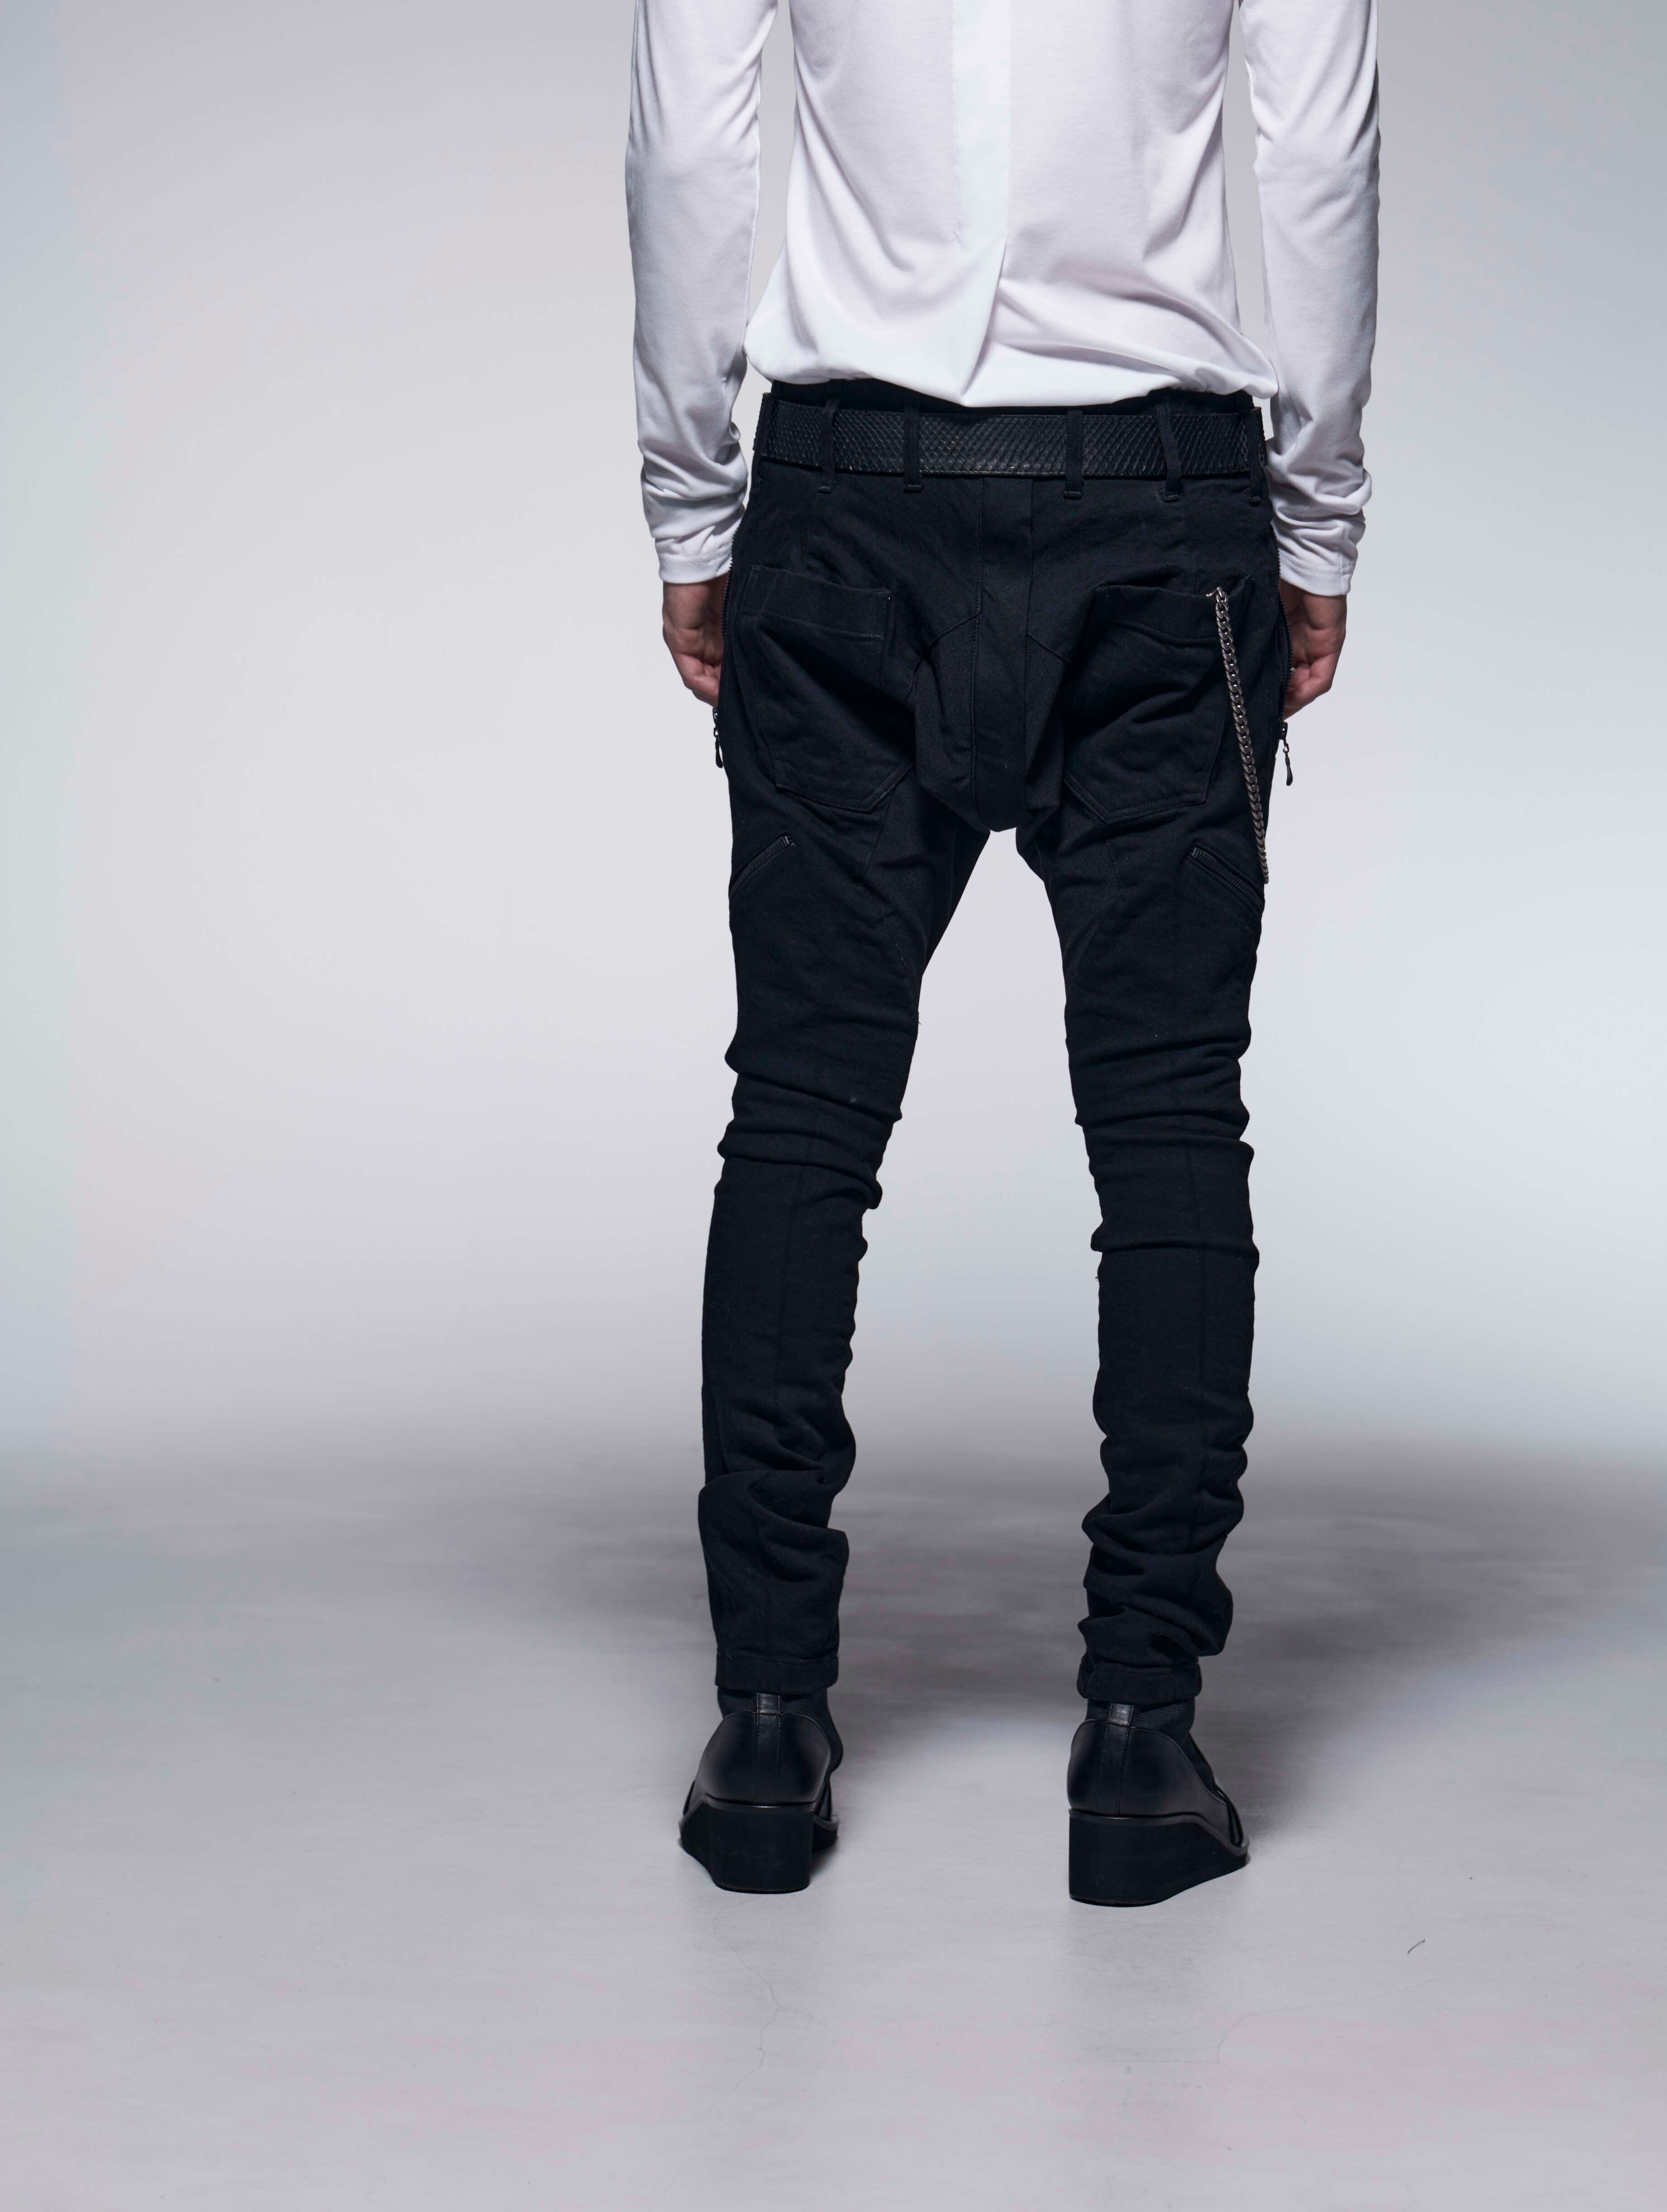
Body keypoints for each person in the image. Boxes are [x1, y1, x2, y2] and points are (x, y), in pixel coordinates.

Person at [626, 0, 1377, 1904]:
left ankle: (766, 1729)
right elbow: (1313, 151)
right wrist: (1316, 518)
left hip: (846, 502)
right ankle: (1143, 1738)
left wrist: (693, 497)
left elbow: (697, 142)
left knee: (803, 1113)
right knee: (1169, 1116)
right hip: (1160, 507)